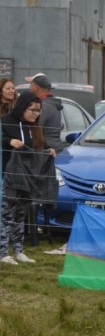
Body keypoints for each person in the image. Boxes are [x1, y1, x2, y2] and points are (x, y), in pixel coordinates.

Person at [0, 90, 57, 265]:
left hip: (29, 179)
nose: (36, 114)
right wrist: (9, 142)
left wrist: (49, 149)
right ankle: (2, 253)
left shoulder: (36, 127)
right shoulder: (6, 121)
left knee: (20, 215)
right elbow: (2, 138)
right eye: (32, 110)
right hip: (10, 177)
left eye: (38, 110)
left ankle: (18, 250)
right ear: (22, 108)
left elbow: (39, 145)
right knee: (6, 215)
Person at [26, 73, 64, 152]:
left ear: (36, 87)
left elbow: (32, 129)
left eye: (31, 86)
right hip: (55, 148)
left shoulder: (43, 106)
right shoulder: (52, 104)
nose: (29, 89)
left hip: (46, 151)